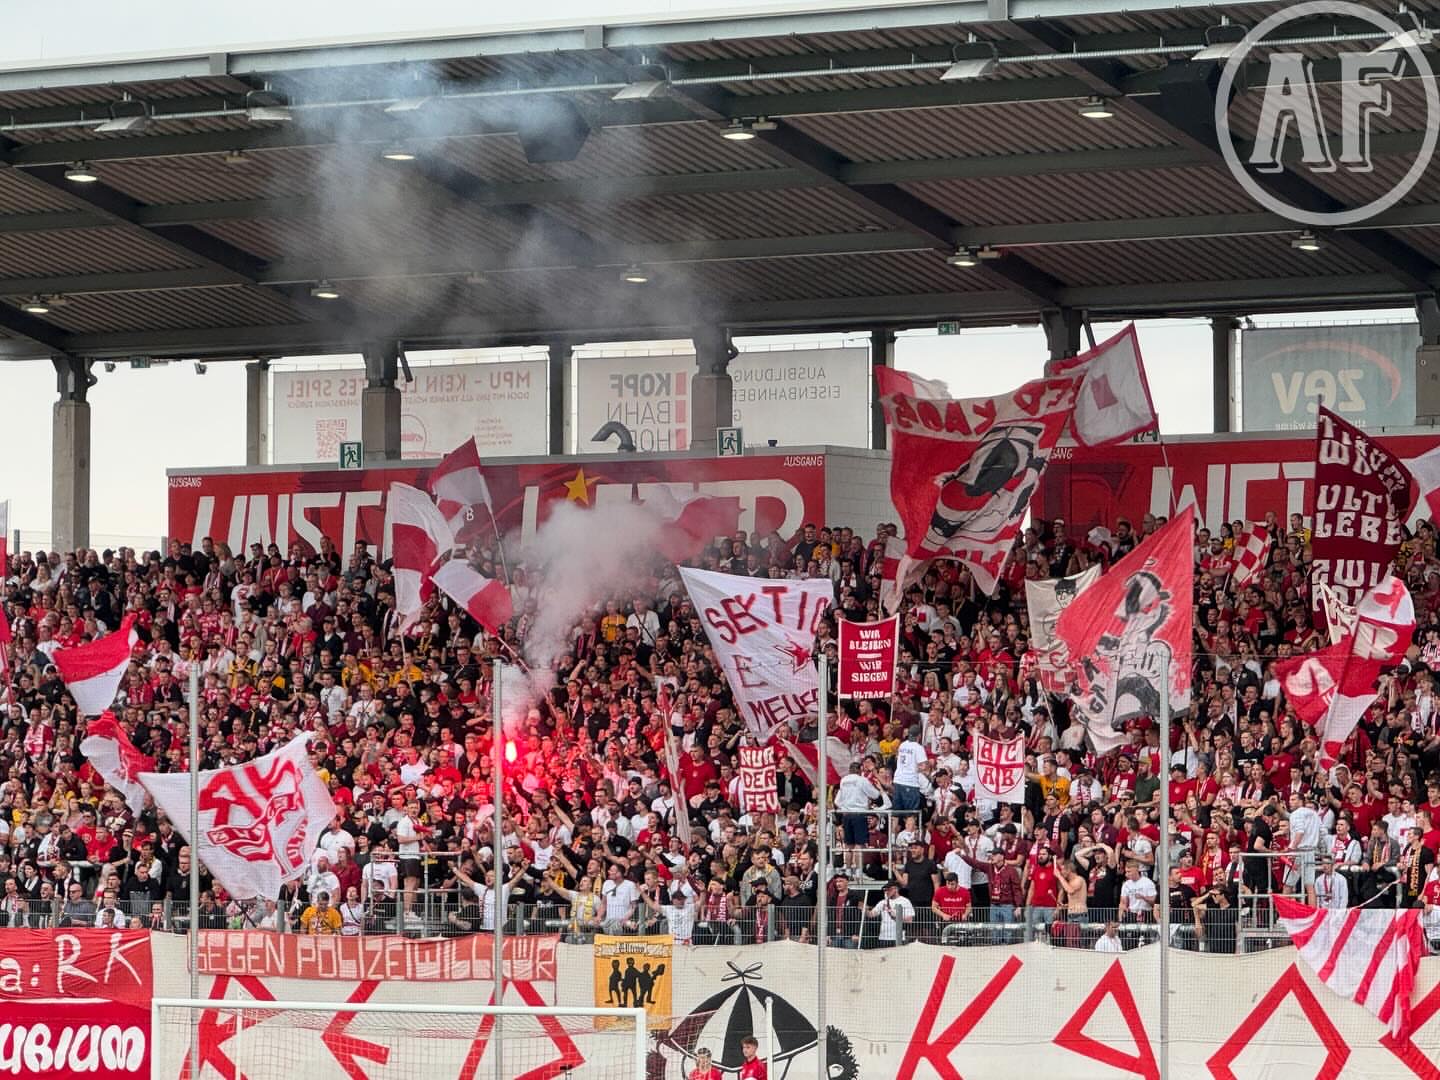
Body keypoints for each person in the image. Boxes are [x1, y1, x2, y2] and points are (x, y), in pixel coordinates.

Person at [868, 880, 915, 948]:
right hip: (883, 937)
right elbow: (871, 914)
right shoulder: (882, 902)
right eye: (885, 890)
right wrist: (864, 909)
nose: (886, 892)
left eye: (889, 889)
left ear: (896, 889)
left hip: (898, 937)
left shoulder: (905, 901)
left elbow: (909, 920)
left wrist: (896, 917)